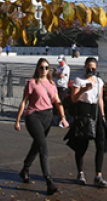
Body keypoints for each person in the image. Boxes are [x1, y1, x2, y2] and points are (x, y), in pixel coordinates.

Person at [15, 58, 69, 195]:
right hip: (33, 116)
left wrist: (63, 117)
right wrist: (17, 120)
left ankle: (25, 169)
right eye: (41, 67)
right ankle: (49, 181)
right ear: (37, 69)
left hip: (48, 117)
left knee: (37, 145)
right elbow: (24, 102)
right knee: (43, 146)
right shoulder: (32, 83)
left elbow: (57, 101)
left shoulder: (52, 84)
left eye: (46, 68)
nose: (44, 70)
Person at [65, 57, 107, 188]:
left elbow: (100, 99)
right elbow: (73, 99)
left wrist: (103, 115)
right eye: (89, 67)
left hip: (96, 112)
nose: (91, 70)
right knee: (81, 145)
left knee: (101, 144)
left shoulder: (99, 81)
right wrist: (82, 90)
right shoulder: (79, 80)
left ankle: (99, 175)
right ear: (85, 66)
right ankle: (80, 173)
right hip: (83, 112)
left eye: (94, 68)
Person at [53, 55, 70, 122]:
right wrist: (56, 74)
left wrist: (57, 75)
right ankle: (62, 116)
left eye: (61, 61)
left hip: (63, 86)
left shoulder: (66, 68)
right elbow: (53, 75)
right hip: (57, 86)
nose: (60, 63)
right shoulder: (58, 67)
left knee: (59, 102)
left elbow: (61, 75)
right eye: (59, 62)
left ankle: (62, 116)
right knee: (57, 102)